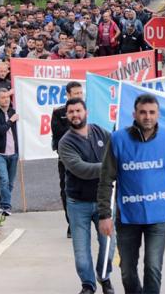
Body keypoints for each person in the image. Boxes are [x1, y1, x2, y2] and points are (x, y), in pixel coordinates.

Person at [97, 93, 165, 294]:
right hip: (128, 216)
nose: (148, 117)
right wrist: (104, 215)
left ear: (158, 115)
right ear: (134, 114)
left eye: (152, 112)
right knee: (128, 270)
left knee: (153, 267)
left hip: (159, 216)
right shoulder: (118, 139)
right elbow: (106, 180)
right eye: (143, 112)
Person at [58, 98, 115, 294]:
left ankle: (103, 276)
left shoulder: (99, 131)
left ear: (86, 112)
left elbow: (116, 144)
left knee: (108, 246)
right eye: (71, 112)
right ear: (67, 115)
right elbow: (80, 169)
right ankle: (88, 285)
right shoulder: (65, 142)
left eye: (78, 110)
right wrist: (110, 168)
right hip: (78, 203)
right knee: (82, 254)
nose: (75, 114)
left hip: (103, 201)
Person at [52, 81, 85, 239]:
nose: (79, 96)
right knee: (67, 190)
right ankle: (72, 223)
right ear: (68, 95)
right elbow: (59, 135)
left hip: (87, 158)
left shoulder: (88, 112)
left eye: (80, 93)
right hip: (66, 160)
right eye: (75, 94)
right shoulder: (59, 113)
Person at [0, 88, 19, 217]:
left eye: (7, 97)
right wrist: (11, 120)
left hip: (13, 153)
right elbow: (0, 130)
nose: (6, 99)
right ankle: (7, 206)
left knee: (11, 182)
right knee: (4, 180)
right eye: (2, 97)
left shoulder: (14, 112)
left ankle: (2, 203)